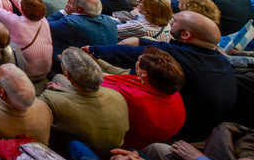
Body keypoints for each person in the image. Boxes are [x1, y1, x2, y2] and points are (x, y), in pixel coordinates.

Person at [86, 10, 236, 141]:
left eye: (175, 21)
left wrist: (93, 50)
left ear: (185, 35)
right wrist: (140, 40)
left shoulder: (177, 57)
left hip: (178, 131)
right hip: (199, 126)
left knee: (87, 65)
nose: (171, 21)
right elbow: (164, 48)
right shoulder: (220, 60)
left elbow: (129, 55)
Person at [40, 47, 129, 157]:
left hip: (77, 155)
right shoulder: (117, 96)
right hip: (113, 153)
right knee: (58, 78)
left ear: (67, 74)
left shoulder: (51, 99)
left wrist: (58, 92)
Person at [101, 46, 186, 149]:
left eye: (138, 61)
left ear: (143, 73)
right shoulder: (171, 92)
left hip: (124, 145)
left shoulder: (133, 97)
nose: (136, 62)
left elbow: (94, 83)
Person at [0, 0, 53, 82]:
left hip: (26, 74)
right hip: (45, 71)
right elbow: (22, 5)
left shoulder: (17, 23)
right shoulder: (43, 20)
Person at [46, 0, 118, 63]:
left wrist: (64, 12)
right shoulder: (110, 20)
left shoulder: (70, 22)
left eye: (72, 0)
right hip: (109, 63)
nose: (69, 1)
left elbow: (45, 25)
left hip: (80, 66)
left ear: (79, 8)